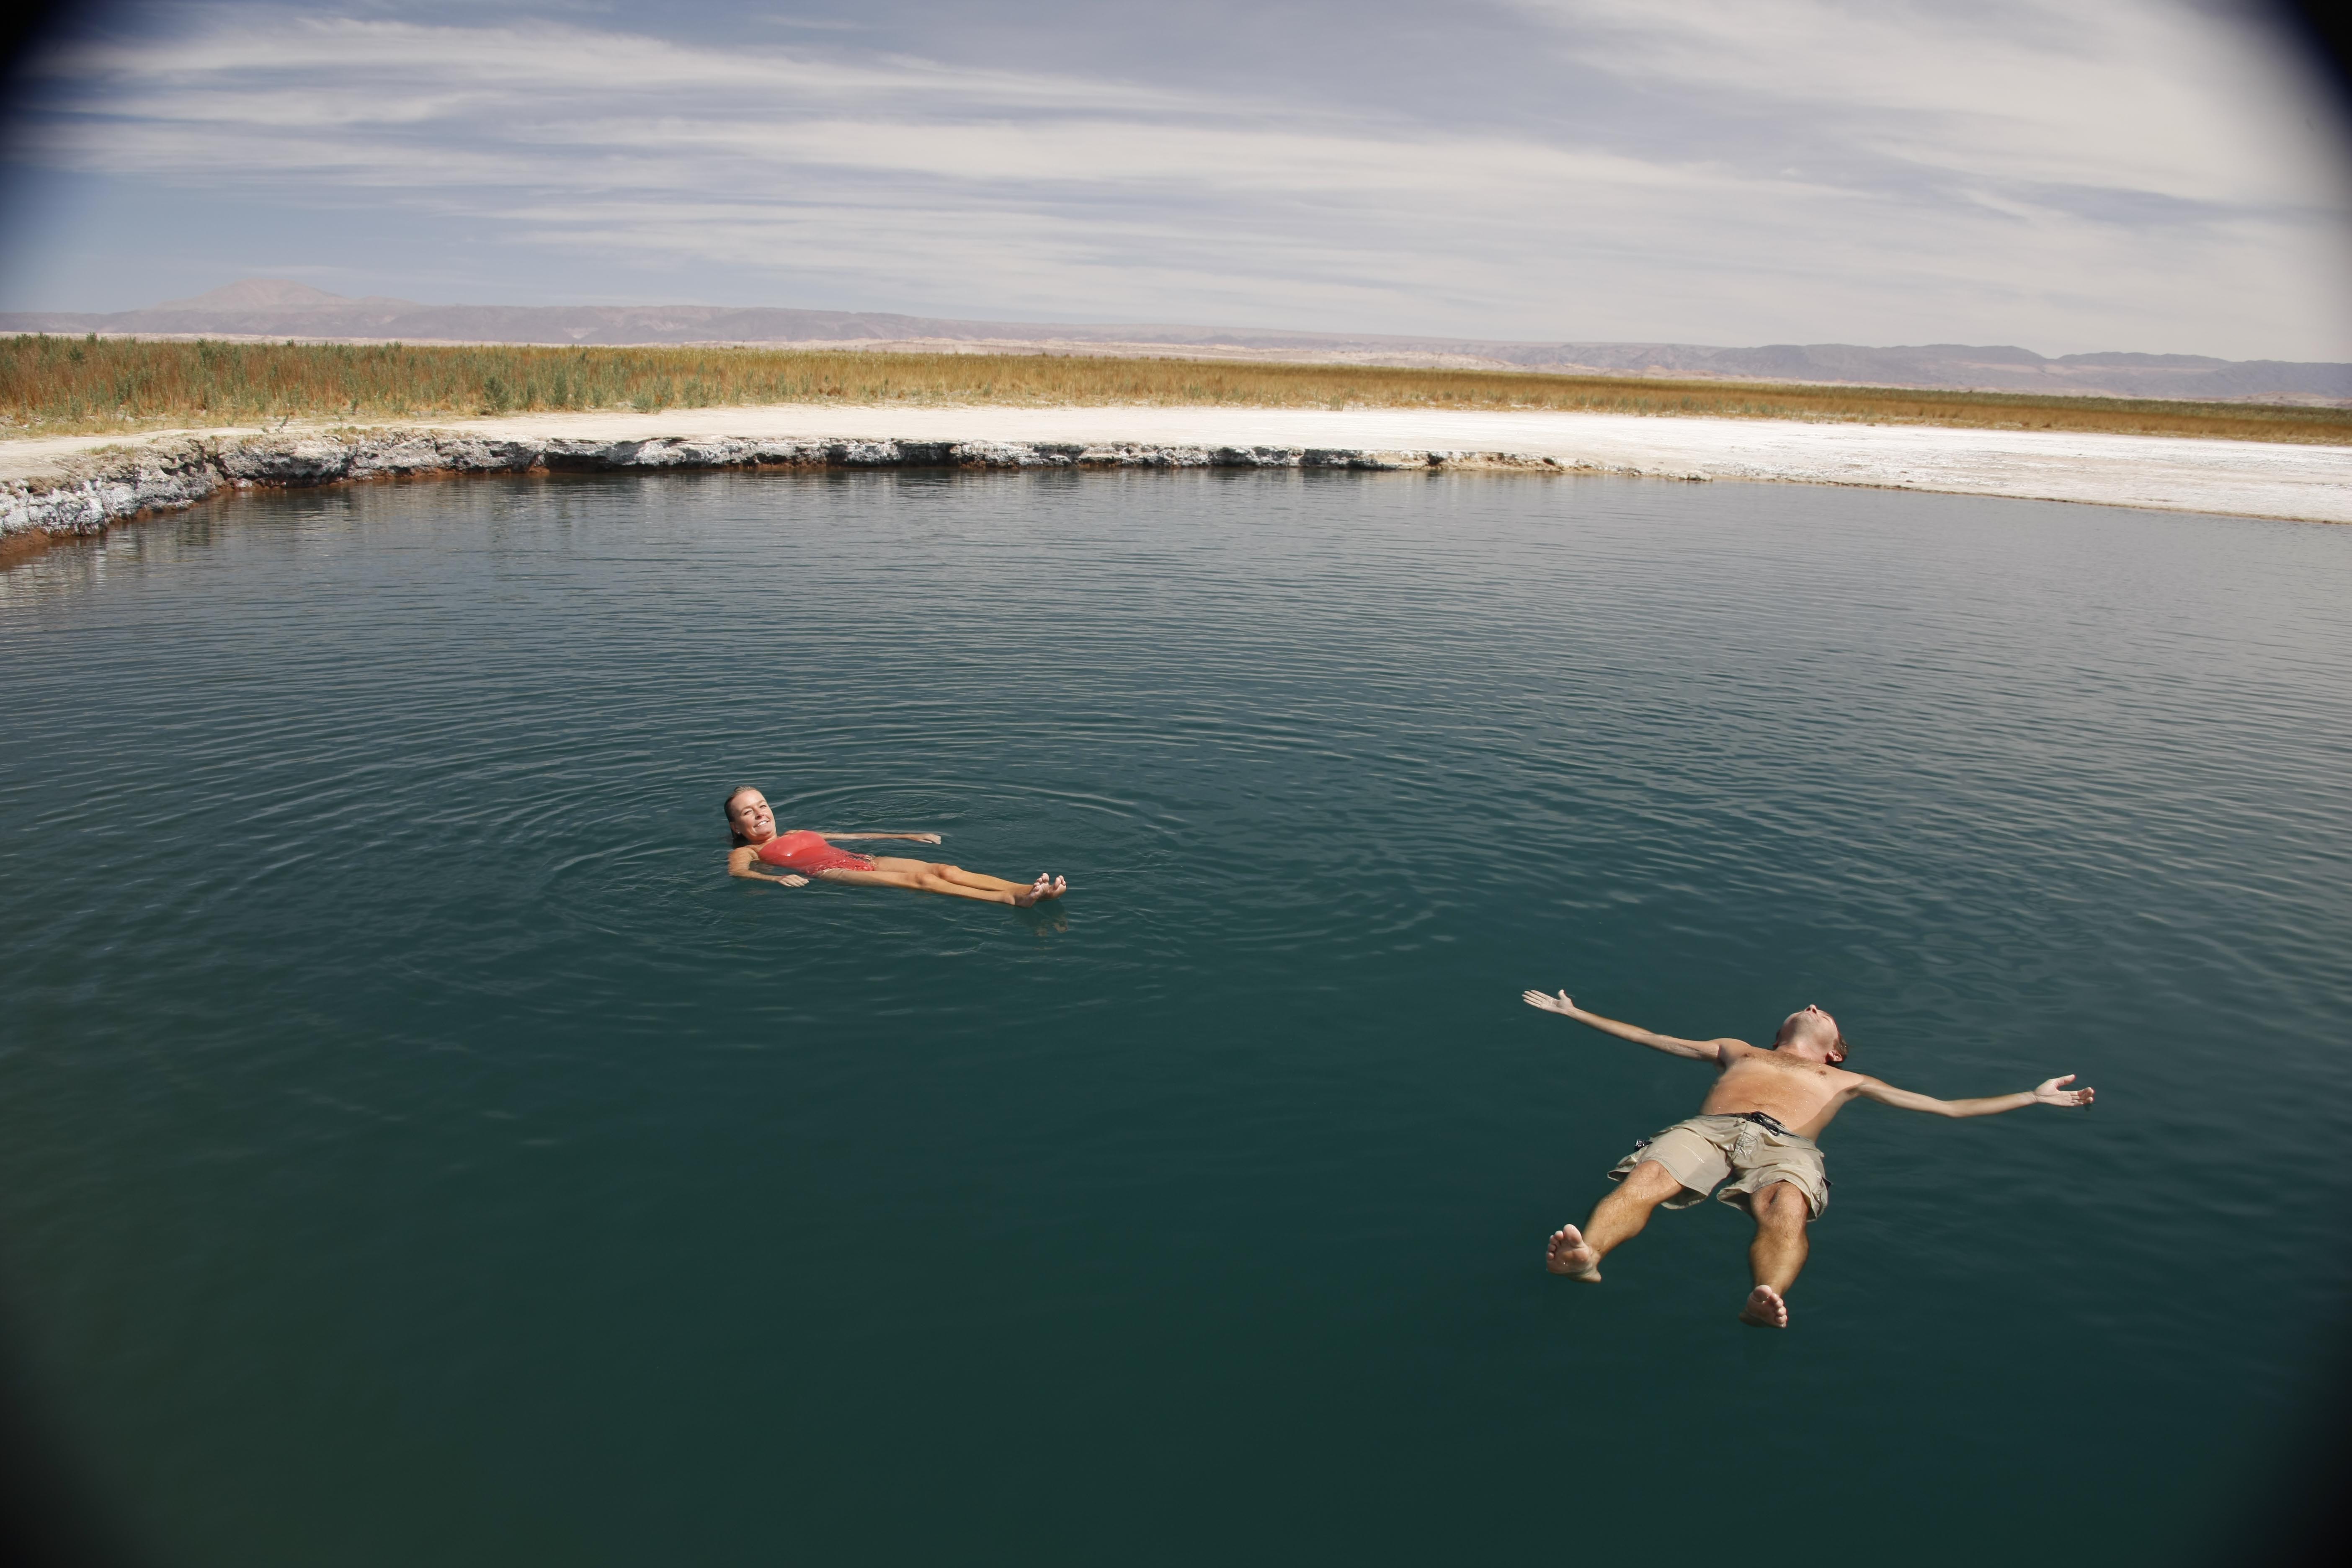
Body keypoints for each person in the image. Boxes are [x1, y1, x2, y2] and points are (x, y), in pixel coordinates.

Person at [1520, 989, 2094, 1328]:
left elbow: (1949, 1109)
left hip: (1787, 1148)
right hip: (1711, 1129)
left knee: (1786, 1205)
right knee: (1648, 1176)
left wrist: (2032, 1096)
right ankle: (1587, 1255)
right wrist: (1578, 1014)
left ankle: (1765, 1295)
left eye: (1825, 1014)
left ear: (1837, 1053)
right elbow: (1649, 1037)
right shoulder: (1738, 1051)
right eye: (1808, 1007)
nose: (1815, 1004)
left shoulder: (1848, 1080)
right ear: (1778, 1033)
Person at [723, 787, 1067, 906]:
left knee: (946, 870)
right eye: (747, 813)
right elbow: (738, 874)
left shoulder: (797, 830)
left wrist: (905, 836)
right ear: (737, 827)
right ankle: (1011, 899)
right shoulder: (747, 851)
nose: (760, 813)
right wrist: (775, 880)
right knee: (921, 882)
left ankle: (1029, 889)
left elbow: (850, 838)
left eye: (762, 805)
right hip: (833, 871)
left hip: (862, 858)